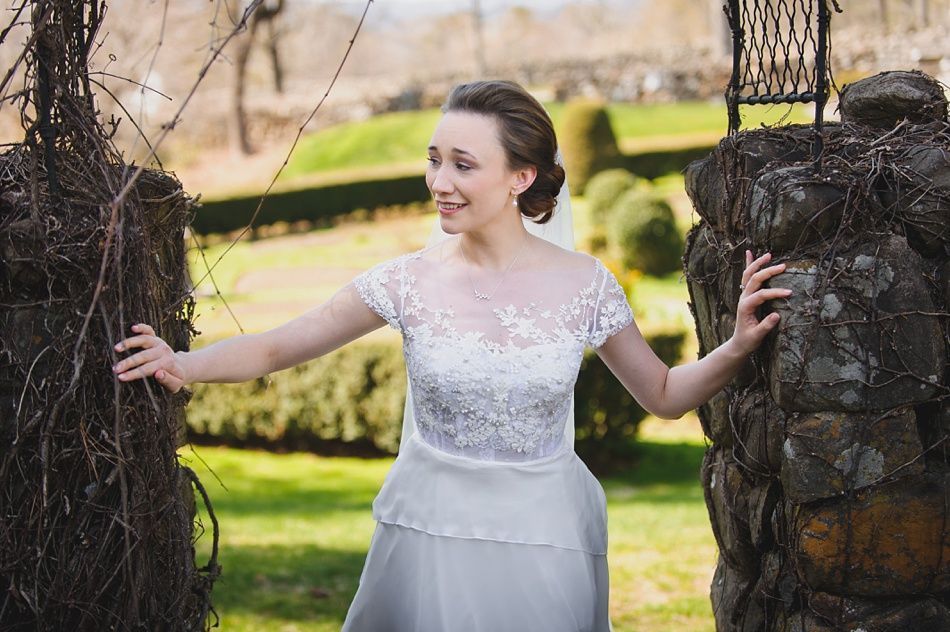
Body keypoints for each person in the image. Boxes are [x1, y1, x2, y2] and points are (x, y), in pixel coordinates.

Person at [111, 80, 791, 631]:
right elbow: (280, 344)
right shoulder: (406, 281)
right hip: (430, 534)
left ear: (521, 177)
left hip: (543, 537)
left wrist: (734, 347)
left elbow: (664, 395)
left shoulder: (587, 284)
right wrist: (183, 362)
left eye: (464, 164)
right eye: (435, 158)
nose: (440, 180)